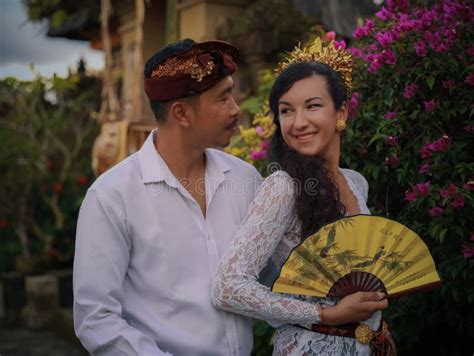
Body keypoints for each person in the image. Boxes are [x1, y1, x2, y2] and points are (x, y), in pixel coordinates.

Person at [73, 39, 263, 355]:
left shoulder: (245, 179)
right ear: (181, 113)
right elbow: (97, 318)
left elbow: (273, 278)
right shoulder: (112, 197)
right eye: (223, 98)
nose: (235, 109)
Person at [212, 39, 392, 355]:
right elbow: (228, 288)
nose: (299, 123)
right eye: (286, 110)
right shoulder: (284, 187)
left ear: (342, 112)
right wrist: (327, 313)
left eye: (313, 106)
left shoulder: (356, 183)